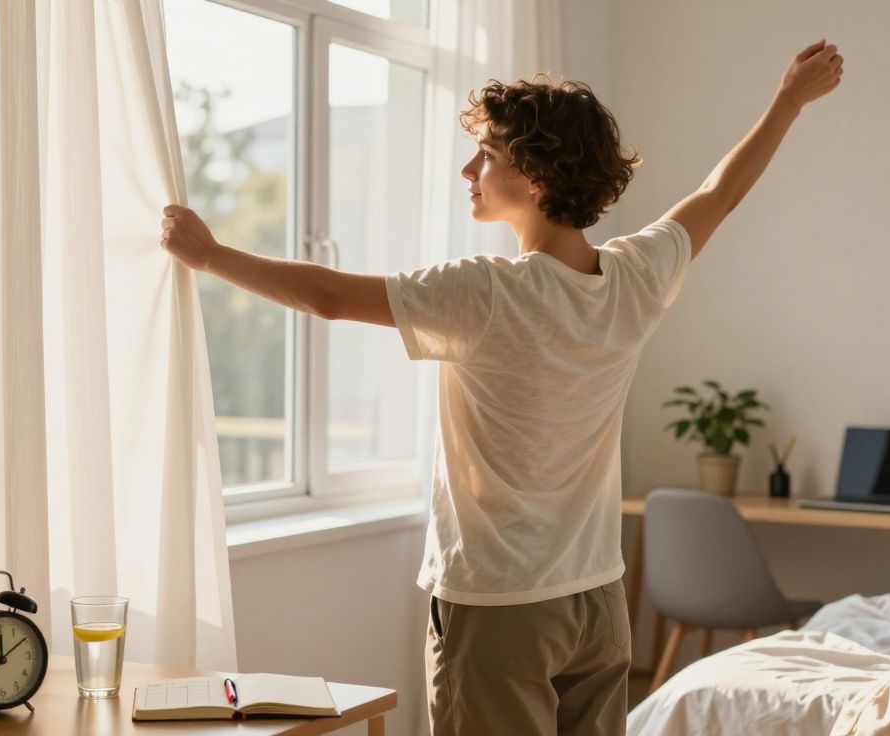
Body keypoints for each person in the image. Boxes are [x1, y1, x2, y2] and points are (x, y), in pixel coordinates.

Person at [162, 38, 844, 736]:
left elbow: (330, 298)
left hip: (498, 607)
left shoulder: (485, 293)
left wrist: (210, 255)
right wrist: (787, 102)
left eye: (487, 154)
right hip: (598, 601)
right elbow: (719, 195)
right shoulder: (637, 277)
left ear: (541, 177)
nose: (469, 168)